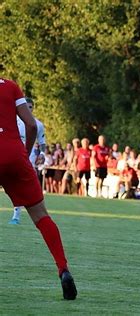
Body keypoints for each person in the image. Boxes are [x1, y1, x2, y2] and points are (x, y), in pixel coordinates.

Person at [0, 78, 77, 299]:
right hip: (15, 155)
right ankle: (63, 269)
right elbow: (31, 125)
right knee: (41, 216)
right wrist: (23, 152)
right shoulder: (10, 85)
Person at [9, 97, 47, 225]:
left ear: (33, 108)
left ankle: (16, 215)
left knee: (21, 186)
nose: (28, 109)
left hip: (27, 159)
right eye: (26, 106)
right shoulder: (13, 121)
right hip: (12, 156)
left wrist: (42, 153)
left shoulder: (38, 125)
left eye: (30, 107)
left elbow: (42, 143)